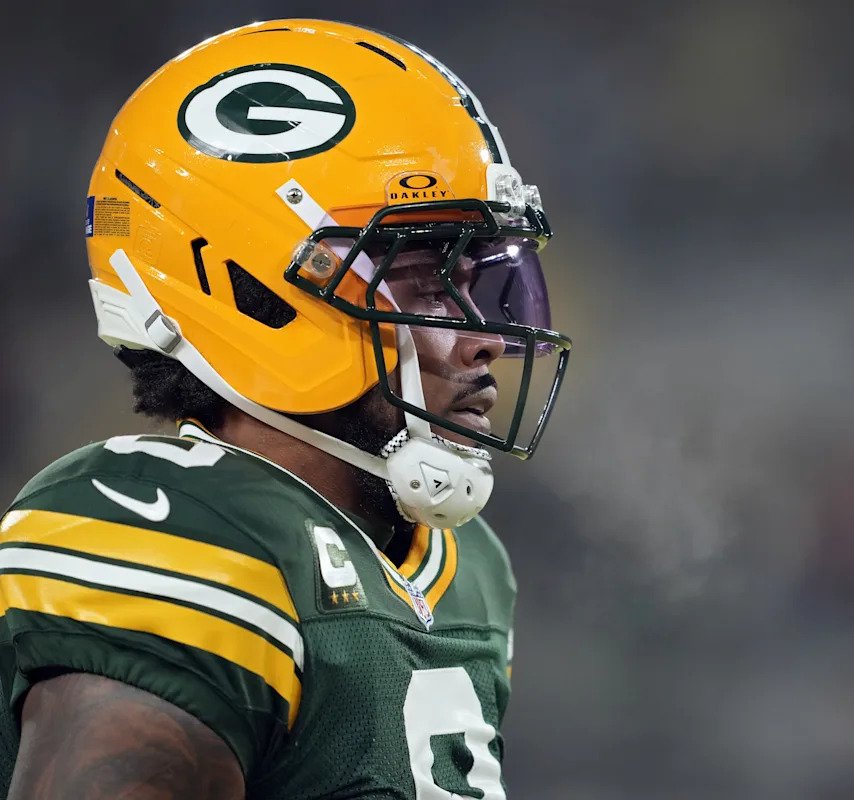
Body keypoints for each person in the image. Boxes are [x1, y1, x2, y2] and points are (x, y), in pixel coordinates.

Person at [0, 17, 572, 799]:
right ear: (253, 288)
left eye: (478, 278)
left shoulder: (468, 565)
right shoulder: (169, 529)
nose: (487, 341)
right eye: (429, 281)